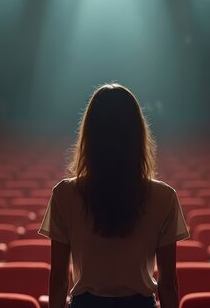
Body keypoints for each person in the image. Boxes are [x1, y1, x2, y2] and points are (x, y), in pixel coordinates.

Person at [39, 83, 190, 308]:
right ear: (138, 136)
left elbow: (59, 281)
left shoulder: (64, 194)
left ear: (89, 136)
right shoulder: (164, 196)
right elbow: (168, 284)